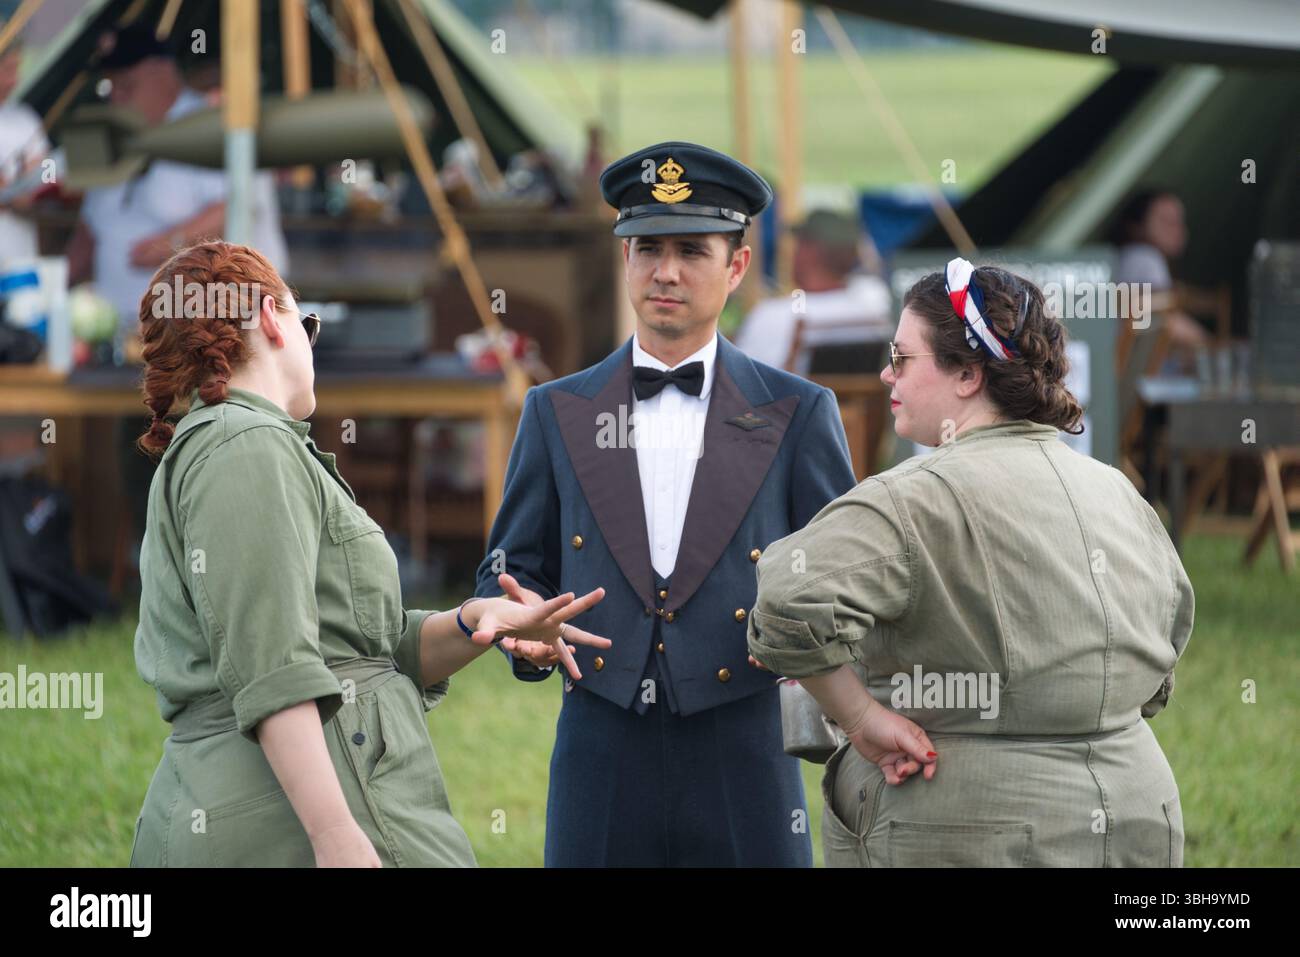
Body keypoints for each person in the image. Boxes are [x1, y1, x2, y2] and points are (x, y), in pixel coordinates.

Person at [130, 240, 611, 867]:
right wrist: (336, 837)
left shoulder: (254, 444)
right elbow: (273, 668)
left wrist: (473, 622)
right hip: (288, 828)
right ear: (274, 321)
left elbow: (359, 648)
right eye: (307, 323)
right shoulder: (241, 445)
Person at [475, 141, 857, 866]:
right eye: (647, 247)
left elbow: (846, 579)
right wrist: (521, 633)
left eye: (693, 249)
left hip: (744, 746)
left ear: (737, 266)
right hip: (600, 748)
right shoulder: (555, 410)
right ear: (624, 259)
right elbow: (507, 571)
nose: (667, 271)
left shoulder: (799, 412)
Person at [748, 257, 1195, 867]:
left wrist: (860, 718)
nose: (886, 374)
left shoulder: (911, 497)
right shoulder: (1119, 491)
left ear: (967, 374)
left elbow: (782, 597)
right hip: (1140, 814)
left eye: (903, 358)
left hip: (970, 828)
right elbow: (1167, 644)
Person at [66, 24, 288, 343]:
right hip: (117, 338)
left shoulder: (209, 125)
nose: (116, 97)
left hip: (199, 339)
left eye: (127, 85)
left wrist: (173, 244)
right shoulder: (112, 134)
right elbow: (89, 231)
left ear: (164, 74)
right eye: (110, 86)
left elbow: (239, 202)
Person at [733, 208, 892, 373]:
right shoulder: (878, 303)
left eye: (798, 245)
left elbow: (738, 378)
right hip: (866, 399)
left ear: (809, 252)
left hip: (798, 398)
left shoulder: (772, 315)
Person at [0, 38, 50, 267]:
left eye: (16, 68)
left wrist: (40, 186)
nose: (14, 79)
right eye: (8, 68)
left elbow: (49, 172)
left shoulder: (25, 118)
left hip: (20, 260)